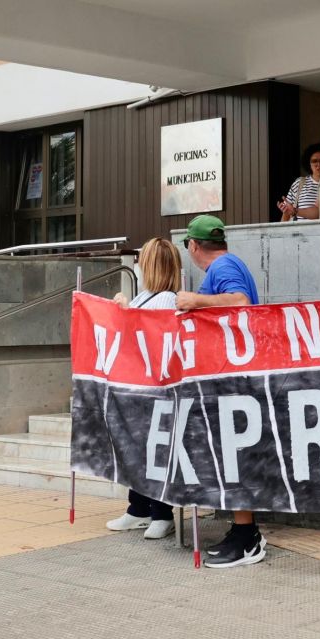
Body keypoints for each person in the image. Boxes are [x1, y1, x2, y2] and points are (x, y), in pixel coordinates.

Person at [176, 216, 264, 567]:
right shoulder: (230, 264)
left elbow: (241, 302)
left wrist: (195, 301)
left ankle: (248, 539)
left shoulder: (223, 267)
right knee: (232, 455)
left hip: (234, 377)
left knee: (235, 454)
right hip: (231, 375)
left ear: (194, 245)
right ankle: (243, 531)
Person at [108, 238, 184, 541]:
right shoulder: (146, 296)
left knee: (153, 451)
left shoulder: (165, 299)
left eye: (142, 261)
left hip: (155, 388)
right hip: (138, 385)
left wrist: (126, 312)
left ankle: (161, 513)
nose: (138, 266)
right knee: (137, 448)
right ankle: (138, 508)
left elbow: (149, 335)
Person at [276, 145, 320, 222]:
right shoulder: (299, 183)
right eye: (314, 161)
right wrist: (286, 212)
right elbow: (286, 215)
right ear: (309, 164)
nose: (319, 164)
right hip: (300, 229)